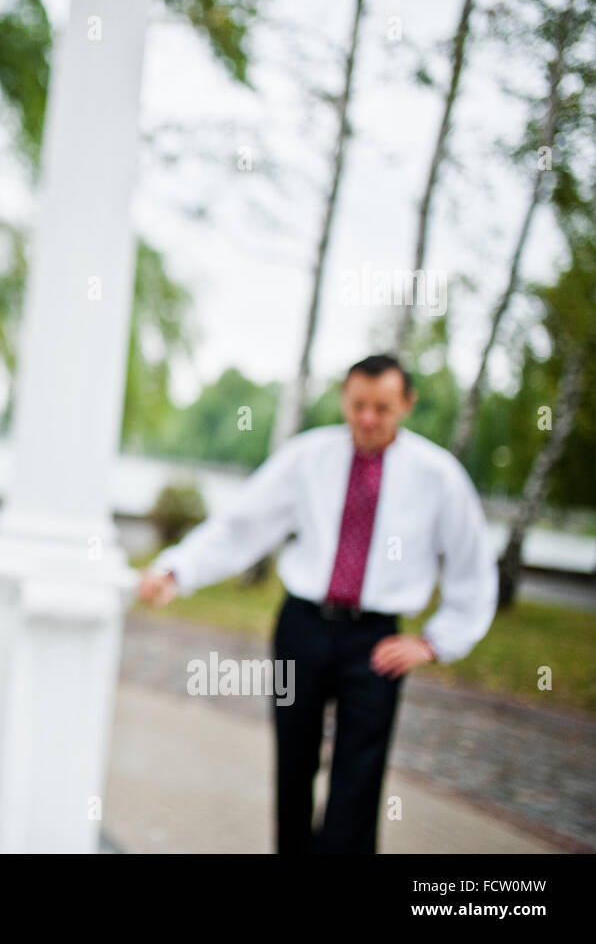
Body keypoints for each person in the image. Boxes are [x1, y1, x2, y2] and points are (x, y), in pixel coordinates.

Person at [137, 354, 497, 853]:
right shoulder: (308, 458)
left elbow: (472, 566)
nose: (368, 419)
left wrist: (437, 642)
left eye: (382, 408)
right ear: (345, 399)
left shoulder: (438, 476)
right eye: (358, 405)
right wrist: (178, 569)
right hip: (302, 628)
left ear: (406, 405)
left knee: (359, 776)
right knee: (294, 762)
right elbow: (242, 525)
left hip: (376, 641)